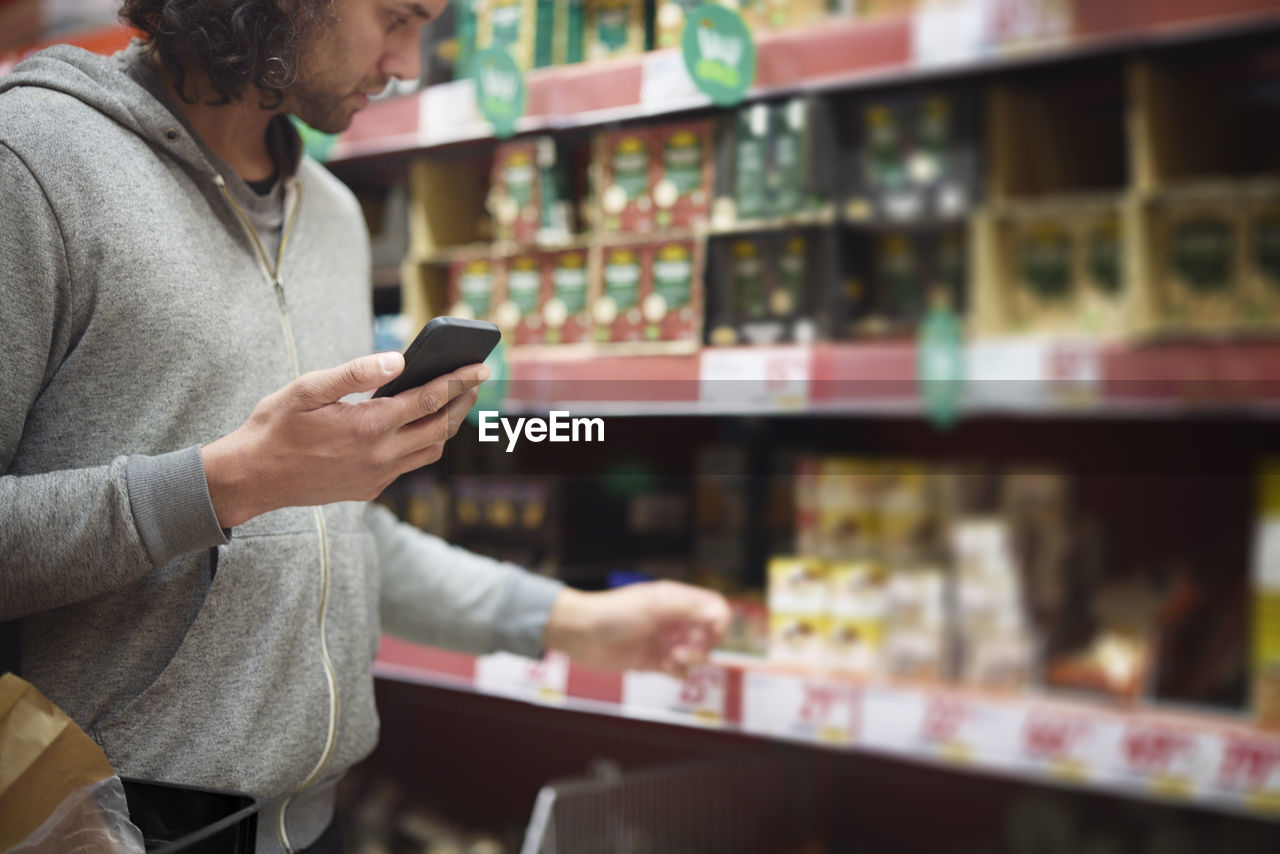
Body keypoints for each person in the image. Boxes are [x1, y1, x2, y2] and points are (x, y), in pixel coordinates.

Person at [0, 1, 730, 851]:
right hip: (94, 823)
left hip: (311, 822)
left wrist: (571, 621)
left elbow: (330, 534)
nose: (411, 60)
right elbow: (254, 485)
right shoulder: (35, 163)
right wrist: (231, 481)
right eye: (397, 16)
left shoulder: (334, 217)